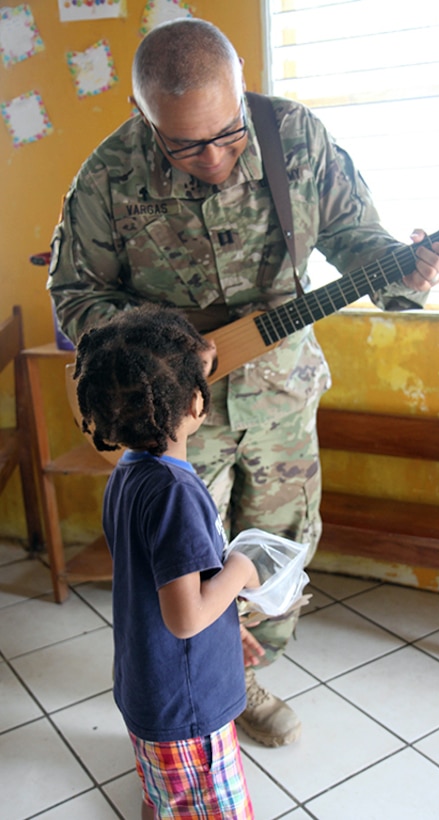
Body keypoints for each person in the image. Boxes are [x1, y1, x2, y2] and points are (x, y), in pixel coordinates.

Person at [47, 18, 439, 748]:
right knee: (184, 564)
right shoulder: (107, 175)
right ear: (146, 118)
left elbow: (358, 238)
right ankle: (211, 687)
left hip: (280, 396)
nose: (212, 158)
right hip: (171, 412)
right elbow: (74, 295)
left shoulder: (295, 138)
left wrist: (410, 268)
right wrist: (163, 346)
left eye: (227, 133)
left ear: (240, 87)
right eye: (184, 145)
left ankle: (243, 670)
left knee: (277, 543)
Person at [74, 303, 261, 819]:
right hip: (189, 707)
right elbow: (185, 617)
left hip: (148, 686)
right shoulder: (176, 492)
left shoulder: (129, 472)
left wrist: (227, 625)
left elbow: (167, 587)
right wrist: (242, 567)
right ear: (195, 402)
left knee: (166, 802)